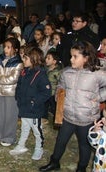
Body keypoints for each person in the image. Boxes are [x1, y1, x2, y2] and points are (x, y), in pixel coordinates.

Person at [39, 41, 106, 172]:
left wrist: (99, 97)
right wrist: (59, 93)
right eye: (71, 56)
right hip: (68, 116)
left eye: (75, 56)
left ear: (86, 58)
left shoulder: (97, 74)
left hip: (86, 119)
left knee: (84, 145)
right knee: (60, 141)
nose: (71, 59)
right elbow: (61, 86)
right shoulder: (66, 72)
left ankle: (81, 168)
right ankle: (55, 162)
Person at [9, 46, 51, 160]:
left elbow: (46, 92)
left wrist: (34, 100)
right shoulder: (24, 71)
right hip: (23, 107)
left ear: (34, 59)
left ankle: (39, 148)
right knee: (24, 127)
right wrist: (18, 97)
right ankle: (21, 145)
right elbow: (19, 86)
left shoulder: (41, 75)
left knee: (37, 131)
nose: (23, 60)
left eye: (26, 58)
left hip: (34, 110)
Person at [43, 51, 62, 125]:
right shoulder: (46, 69)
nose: (46, 60)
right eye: (46, 58)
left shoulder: (57, 72)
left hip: (53, 93)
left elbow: (60, 82)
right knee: (44, 105)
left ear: (54, 61)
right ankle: (44, 118)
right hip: (46, 92)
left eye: (48, 58)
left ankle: (56, 120)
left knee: (54, 107)